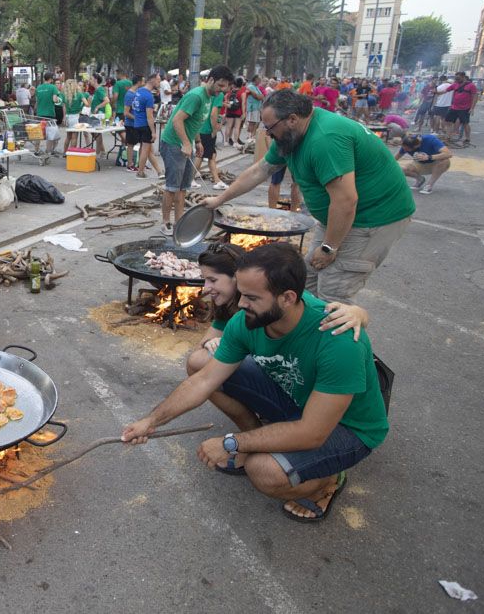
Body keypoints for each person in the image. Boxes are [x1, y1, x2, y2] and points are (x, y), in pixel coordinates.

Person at [123, 243, 389, 523]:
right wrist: (151, 421)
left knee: (263, 471)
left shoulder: (337, 341)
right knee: (201, 363)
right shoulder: (248, 321)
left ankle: (327, 483)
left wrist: (231, 444)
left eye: (251, 297)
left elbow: (313, 432)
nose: (239, 304)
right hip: (297, 400)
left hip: (348, 427)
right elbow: (203, 381)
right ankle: (261, 439)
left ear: (287, 298)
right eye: (241, 293)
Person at [203, 89, 414, 303]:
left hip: (372, 219)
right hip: (339, 217)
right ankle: (304, 332)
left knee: (333, 292)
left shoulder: (325, 139)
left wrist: (329, 247)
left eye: (270, 128)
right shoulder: (292, 136)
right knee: (308, 280)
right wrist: (220, 199)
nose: (268, 134)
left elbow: (346, 201)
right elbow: (261, 170)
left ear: (292, 119)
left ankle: (329, 334)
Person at [186, 242, 369, 378]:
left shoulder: (278, 299)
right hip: (273, 366)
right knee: (200, 361)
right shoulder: (232, 306)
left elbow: (322, 311)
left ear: (237, 277)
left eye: (212, 280)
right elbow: (204, 345)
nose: (205, 288)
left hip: (291, 370)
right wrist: (211, 343)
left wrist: (358, 312)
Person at [161, 66, 234, 235]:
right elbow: (177, 121)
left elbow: (195, 122)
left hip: (187, 143)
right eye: (220, 86)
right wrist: (187, 143)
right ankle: (166, 223)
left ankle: (179, 222)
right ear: (210, 80)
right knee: (172, 187)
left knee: (183, 187)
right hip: (173, 143)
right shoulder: (196, 96)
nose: (222, 90)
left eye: (226, 87)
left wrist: (198, 141)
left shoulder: (210, 97)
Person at [130, 72, 165, 179]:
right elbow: (149, 116)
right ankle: (140, 172)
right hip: (145, 125)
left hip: (137, 124)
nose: (159, 83)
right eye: (158, 81)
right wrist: (153, 132)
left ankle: (159, 172)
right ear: (152, 80)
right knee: (145, 149)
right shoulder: (149, 96)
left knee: (149, 150)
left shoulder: (139, 91)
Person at [193, 80, 227, 191]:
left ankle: (217, 180)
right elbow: (213, 113)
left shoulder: (210, 92)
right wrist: (214, 129)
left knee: (211, 155)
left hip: (203, 127)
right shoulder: (220, 94)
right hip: (207, 129)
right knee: (201, 154)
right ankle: (190, 179)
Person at [444, 71, 478, 146]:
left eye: (458, 78)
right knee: (448, 121)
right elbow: (445, 90)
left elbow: (475, 96)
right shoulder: (455, 84)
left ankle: (467, 139)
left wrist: (472, 108)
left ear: (463, 77)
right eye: (456, 78)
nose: (457, 80)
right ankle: (448, 137)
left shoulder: (471, 85)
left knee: (465, 123)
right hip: (454, 107)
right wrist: (436, 91)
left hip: (465, 108)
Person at [33, 71, 61, 157]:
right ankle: (48, 151)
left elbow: (37, 102)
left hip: (40, 113)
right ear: (51, 79)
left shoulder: (38, 88)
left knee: (39, 132)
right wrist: (59, 100)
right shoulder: (53, 87)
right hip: (49, 113)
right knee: (50, 133)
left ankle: (36, 150)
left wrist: (36, 111)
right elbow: (54, 100)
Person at [120, 76, 141, 170]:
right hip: (130, 123)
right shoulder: (129, 95)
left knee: (142, 143)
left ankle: (140, 163)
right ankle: (130, 164)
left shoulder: (136, 93)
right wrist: (137, 118)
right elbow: (126, 112)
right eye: (143, 81)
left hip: (136, 123)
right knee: (130, 144)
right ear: (139, 82)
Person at [223, 77, 245, 147]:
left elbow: (225, 98)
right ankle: (235, 142)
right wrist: (244, 113)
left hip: (230, 110)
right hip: (238, 111)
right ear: (241, 84)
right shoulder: (242, 92)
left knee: (228, 127)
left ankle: (226, 141)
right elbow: (243, 103)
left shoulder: (230, 92)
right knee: (236, 127)